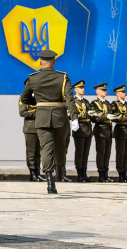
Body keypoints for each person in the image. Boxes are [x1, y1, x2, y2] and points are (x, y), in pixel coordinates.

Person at [19, 49, 78, 193]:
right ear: (54, 62)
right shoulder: (63, 77)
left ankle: (50, 182)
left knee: (46, 148)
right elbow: (69, 98)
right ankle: (60, 168)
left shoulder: (33, 78)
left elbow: (25, 98)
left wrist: (38, 100)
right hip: (60, 116)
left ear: (40, 62)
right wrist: (74, 117)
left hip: (42, 117)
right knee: (60, 147)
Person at [90, 83, 113, 182]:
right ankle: (101, 174)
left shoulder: (108, 103)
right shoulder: (94, 104)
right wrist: (106, 117)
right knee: (101, 153)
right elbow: (94, 118)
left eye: (105, 90)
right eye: (102, 90)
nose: (105, 91)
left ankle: (106, 174)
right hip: (100, 131)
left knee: (107, 154)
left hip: (108, 130)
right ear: (97, 91)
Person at [71, 80, 93, 182]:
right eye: (80, 88)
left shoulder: (86, 102)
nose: (83, 89)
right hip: (79, 129)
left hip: (88, 129)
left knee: (86, 153)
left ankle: (84, 173)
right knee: (80, 152)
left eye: (83, 88)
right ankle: (79, 174)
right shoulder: (73, 101)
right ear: (75, 89)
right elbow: (70, 114)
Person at [18, 97, 44, 182]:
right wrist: (37, 114)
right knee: (31, 152)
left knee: (38, 152)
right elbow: (22, 112)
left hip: (40, 127)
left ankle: (37, 172)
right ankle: (32, 173)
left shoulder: (39, 96)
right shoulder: (24, 98)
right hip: (30, 127)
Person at [109, 85, 127, 182]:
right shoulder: (114, 104)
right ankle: (120, 173)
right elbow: (114, 117)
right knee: (120, 154)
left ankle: (125, 173)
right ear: (117, 94)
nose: (124, 93)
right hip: (120, 130)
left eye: (124, 92)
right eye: (122, 92)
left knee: (126, 154)